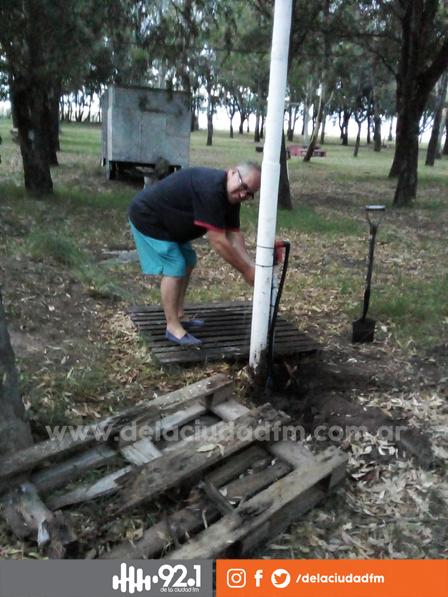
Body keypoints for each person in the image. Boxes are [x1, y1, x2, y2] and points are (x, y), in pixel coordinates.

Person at [128, 162, 261, 346]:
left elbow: (233, 235)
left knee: (188, 260)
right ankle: (172, 327)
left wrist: (251, 266)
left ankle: (179, 314)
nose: (243, 195)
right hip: (148, 216)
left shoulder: (231, 198)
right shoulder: (211, 189)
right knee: (175, 265)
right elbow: (218, 240)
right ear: (232, 172)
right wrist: (246, 270)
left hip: (170, 222)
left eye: (249, 194)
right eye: (243, 186)